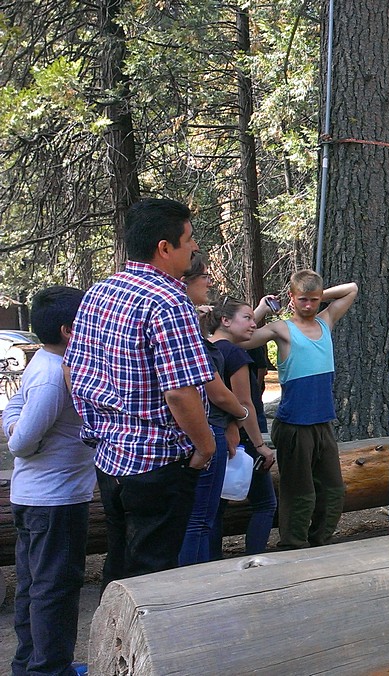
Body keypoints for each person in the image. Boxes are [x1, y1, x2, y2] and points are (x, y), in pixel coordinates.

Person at [64, 198, 216, 587]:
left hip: (110, 459)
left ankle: (110, 645)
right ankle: (145, 648)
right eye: (189, 239)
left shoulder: (99, 292)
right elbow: (181, 393)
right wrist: (206, 446)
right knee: (154, 578)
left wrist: (99, 426)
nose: (194, 246)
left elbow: (72, 368)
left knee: (119, 568)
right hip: (157, 465)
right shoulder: (169, 301)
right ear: (164, 248)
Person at [4, 286, 92, 676]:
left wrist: (12, 423)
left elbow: (14, 411)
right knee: (53, 590)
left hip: (37, 498)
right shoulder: (54, 376)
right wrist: (13, 428)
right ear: (70, 329)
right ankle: (50, 669)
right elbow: (22, 442)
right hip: (54, 501)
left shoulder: (43, 361)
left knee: (34, 587)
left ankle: (30, 664)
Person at [242, 270, 358, 549]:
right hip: (294, 425)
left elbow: (351, 288)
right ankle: (293, 545)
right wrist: (260, 310)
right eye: (302, 299)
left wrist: (320, 295)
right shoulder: (281, 329)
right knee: (300, 493)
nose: (308, 305)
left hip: (323, 423)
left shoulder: (325, 320)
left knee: (333, 491)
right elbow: (235, 339)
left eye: (313, 300)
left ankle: (319, 541)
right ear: (292, 298)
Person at [178, 255, 256, 565]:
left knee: (201, 520)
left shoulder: (196, 332)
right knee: (199, 521)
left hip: (213, 432)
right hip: (205, 435)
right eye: (204, 277)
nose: (210, 282)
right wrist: (240, 416)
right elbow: (216, 393)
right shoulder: (217, 348)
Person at [205, 299, 277, 557]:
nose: (253, 323)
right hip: (243, 439)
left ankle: (211, 561)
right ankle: (255, 560)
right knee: (265, 504)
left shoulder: (205, 349)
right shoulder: (235, 354)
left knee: (214, 507)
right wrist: (260, 446)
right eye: (247, 318)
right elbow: (243, 401)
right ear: (225, 321)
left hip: (213, 435)